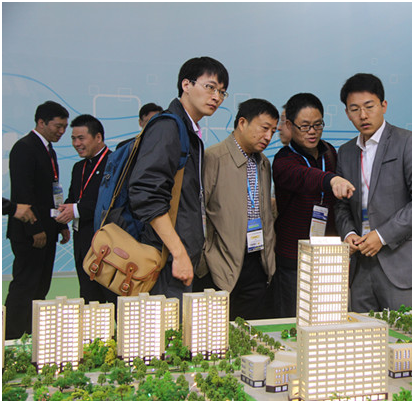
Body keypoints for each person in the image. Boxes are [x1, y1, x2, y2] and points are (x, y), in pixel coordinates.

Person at [334, 73, 412, 312]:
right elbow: (341, 204)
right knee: (361, 331)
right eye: (354, 109)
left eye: (369, 106)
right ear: (347, 113)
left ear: (383, 105)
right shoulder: (346, 152)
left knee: (401, 331)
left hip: (400, 260)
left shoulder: (408, 142)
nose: (363, 115)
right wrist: (348, 233)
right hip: (360, 261)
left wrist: (381, 236)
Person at [128, 56, 229, 301]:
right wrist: (178, 252)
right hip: (163, 258)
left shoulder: (187, 130)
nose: (216, 97)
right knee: (164, 324)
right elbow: (145, 194)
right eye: (210, 87)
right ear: (186, 85)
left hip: (176, 257)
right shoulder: (168, 127)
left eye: (222, 92)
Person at [272, 93, 355, 317]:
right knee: (293, 319)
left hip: (328, 254)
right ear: (290, 125)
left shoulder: (330, 152)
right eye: (305, 126)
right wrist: (332, 180)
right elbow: (304, 176)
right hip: (294, 257)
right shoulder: (283, 159)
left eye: (318, 125)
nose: (312, 132)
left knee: (329, 317)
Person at [197, 98, 279, 320]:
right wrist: (205, 262)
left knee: (251, 332)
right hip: (220, 265)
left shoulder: (263, 163)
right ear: (242, 123)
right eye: (264, 128)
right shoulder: (214, 157)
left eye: (273, 131)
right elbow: (198, 212)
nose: (268, 137)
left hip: (257, 262)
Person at [5, 101, 71, 339]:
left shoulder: (48, 149)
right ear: (41, 122)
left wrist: (61, 224)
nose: (62, 131)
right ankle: (10, 338)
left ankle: (31, 336)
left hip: (48, 229)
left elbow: (53, 192)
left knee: (41, 286)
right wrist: (35, 229)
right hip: (30, 232)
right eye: (58, 126)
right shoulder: (24, 147)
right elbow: (23, 194)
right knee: (25, 285)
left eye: (64, 127)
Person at [55, 114, 116, 303]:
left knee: (113, 299)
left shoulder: (115, 163)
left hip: (109, 245)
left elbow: (112, 202)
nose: (76, 143)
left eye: (81, 138)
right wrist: (62, 215)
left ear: (98, 137)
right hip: (82, 243)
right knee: (90, 300)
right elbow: (73, 199)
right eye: (73, 138)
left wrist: (76, 210)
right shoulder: (78, 167)